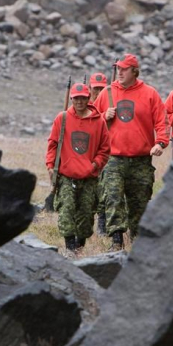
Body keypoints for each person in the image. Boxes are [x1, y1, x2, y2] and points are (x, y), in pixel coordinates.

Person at [92, 53, 169, 250]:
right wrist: (103, 116)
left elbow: (162, 122)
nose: (120, 72)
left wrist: (160, 143)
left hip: (141, 159)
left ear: (134, 71)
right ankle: (116, 240)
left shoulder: (150, 93)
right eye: (118, 68)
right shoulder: (106, 93)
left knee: (140, 203)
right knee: (113, 197)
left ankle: (137, 240)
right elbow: (89, 122)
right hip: (113, 158)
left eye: (124, 69)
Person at [45, 83, 111, 255]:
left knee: (86, 215)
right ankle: (69, 248)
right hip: (67, 176)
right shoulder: (62, 118)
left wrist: (95, 165)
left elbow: (105, 149)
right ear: (72, 99)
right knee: (66, 210)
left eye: (82, 98)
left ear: (88, 99)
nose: (79, 101)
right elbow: (52, 144)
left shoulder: (99, 121)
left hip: (89, 178)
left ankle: (79, 247)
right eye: (76, 98)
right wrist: (50, 166)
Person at [89, 71, 110, 236]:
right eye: (95, 88)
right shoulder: (82, 103)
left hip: (104, 154)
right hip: (86, 154)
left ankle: (102, 223)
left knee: (104, 188)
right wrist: (105, 115)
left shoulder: (111, 101)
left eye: (102, 88)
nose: (98, 92)